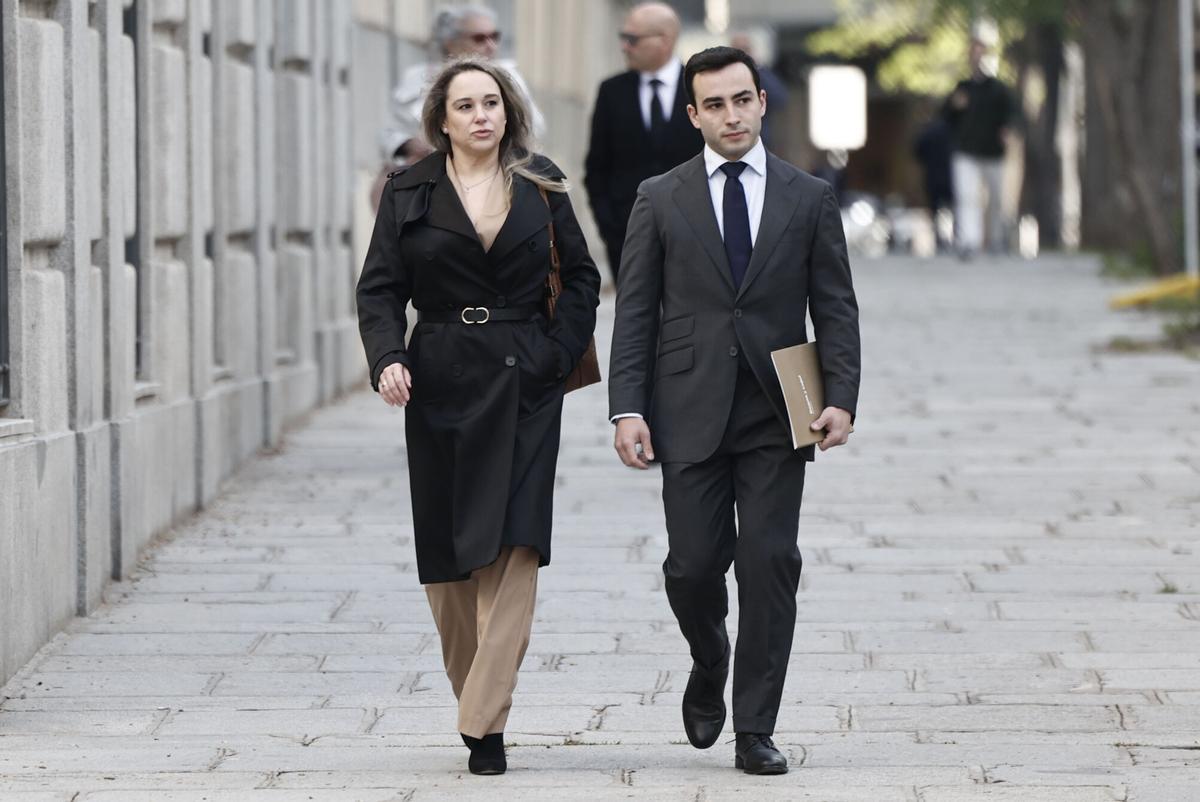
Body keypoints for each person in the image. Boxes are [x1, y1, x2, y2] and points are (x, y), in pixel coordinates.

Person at [608, 47, 860, 775]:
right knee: (691, 567)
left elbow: (835, 307)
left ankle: (755, 727)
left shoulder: (808, 197)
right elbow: (636, 316)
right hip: (686, 404)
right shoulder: (660, 197)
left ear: (761, 103)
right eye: (714, 104)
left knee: (769, 560)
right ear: (694, 115)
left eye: (741, 99)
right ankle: (708, 652)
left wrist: (840, 395)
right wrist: (628, 409)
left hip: (782, 405)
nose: (731, 115)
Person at [356, 57, 600, 776]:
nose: (481, 116)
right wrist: (386, 359)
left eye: (491, 102)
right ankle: (479, 703)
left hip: (526, 375)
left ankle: (483, 720)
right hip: (439, 377)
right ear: (441, 120)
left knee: (517, 540)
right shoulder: (408, 191)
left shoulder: (541, 180)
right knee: (449, 557)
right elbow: (378, 290)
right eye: (465, 106)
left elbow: (582, 276)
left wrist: (556, 352)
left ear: (508, 110)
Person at [371, 4, 545, 211]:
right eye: (479, 38)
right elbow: (388, 133)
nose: (490, 45)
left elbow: (534, 128)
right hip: (425, 186)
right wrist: (411, 145)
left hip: (490, 182)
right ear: (450, 42)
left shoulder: (508, 78)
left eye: (494, 36)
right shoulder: (417, 78)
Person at [584, 2, 703, 284]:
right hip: (627, 239)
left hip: (695, 239)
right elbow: (597, 168)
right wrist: (610, 229)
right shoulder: (612, 91)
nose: (625, 46)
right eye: (624, 38)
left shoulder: (699, 87)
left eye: (632, 39)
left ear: (665, 40)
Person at [942, 36, 1018, 258]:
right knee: (967, 196)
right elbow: (945, 117)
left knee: (995, 198)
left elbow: (1013, 114)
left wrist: (1007, 129)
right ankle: (969, 241)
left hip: (993, 151)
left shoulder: (999, 90)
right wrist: (955, 107)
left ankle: (996, 239)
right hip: (966, 151)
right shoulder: (961, 89)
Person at [729, 31, 789, 150]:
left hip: (759, 141)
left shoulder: (761, 74)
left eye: (745, 50)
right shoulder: (722, 77)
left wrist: (757, 69)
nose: (742, 55)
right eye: (738, 51)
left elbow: (781, 99)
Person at [914, 115, 955, 253]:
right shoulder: (951, 131)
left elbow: (917, 152)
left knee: (935, 209)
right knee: (954, 208)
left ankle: (938, 238)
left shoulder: (928, 132)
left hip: (932, 175)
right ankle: (954, 237)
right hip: (950, 175)